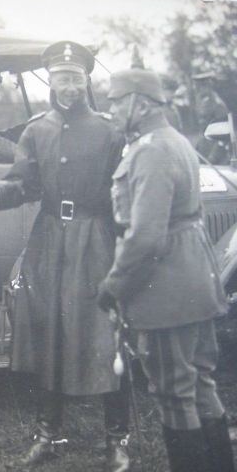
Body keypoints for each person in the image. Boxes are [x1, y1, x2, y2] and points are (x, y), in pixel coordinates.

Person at [0, 41, 130, 471]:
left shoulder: (110, 131)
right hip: (48, 244)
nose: (69, 87)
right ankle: (49, 435)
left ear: (87, 81)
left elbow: (123, 196)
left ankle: (117, 439)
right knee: (50, 333)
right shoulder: (36, 130)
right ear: (52, 83)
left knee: (105, 335)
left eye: (76, 79)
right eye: (61, 79)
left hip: (95, 241)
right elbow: (25, 185)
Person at [98, 63, 235, 471]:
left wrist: (113, 287)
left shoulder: (152, 150)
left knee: (173, 390)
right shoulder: (172, 140)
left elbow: (146, 237)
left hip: (167, 287)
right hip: (192, 278)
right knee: (198, 382)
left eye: (117, 101)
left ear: (140, 104)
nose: (112, 109)